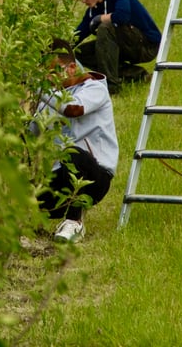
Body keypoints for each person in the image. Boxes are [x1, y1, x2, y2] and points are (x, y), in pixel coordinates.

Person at [31, 38, 119, 243]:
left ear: (71, 68)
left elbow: (73, 109)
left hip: (94, 176)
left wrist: (39, 89)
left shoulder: (95, 88)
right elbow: (32, 132)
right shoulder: (53, 96)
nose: (49, 79)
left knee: (74, 154)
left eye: (52, 73)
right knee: (33, 198)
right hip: (61, 175)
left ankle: (74, 222)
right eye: (44, 75)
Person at [74, 0, 161, 94]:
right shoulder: (92, 10)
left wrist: (100, 18)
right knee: (80, 53)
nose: (83, 1)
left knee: (105, 28)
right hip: (126, 43)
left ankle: (111, 86)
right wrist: (56, 49)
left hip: (146, 45)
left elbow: (122, 16)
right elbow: (77, 35)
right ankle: (138, 76)